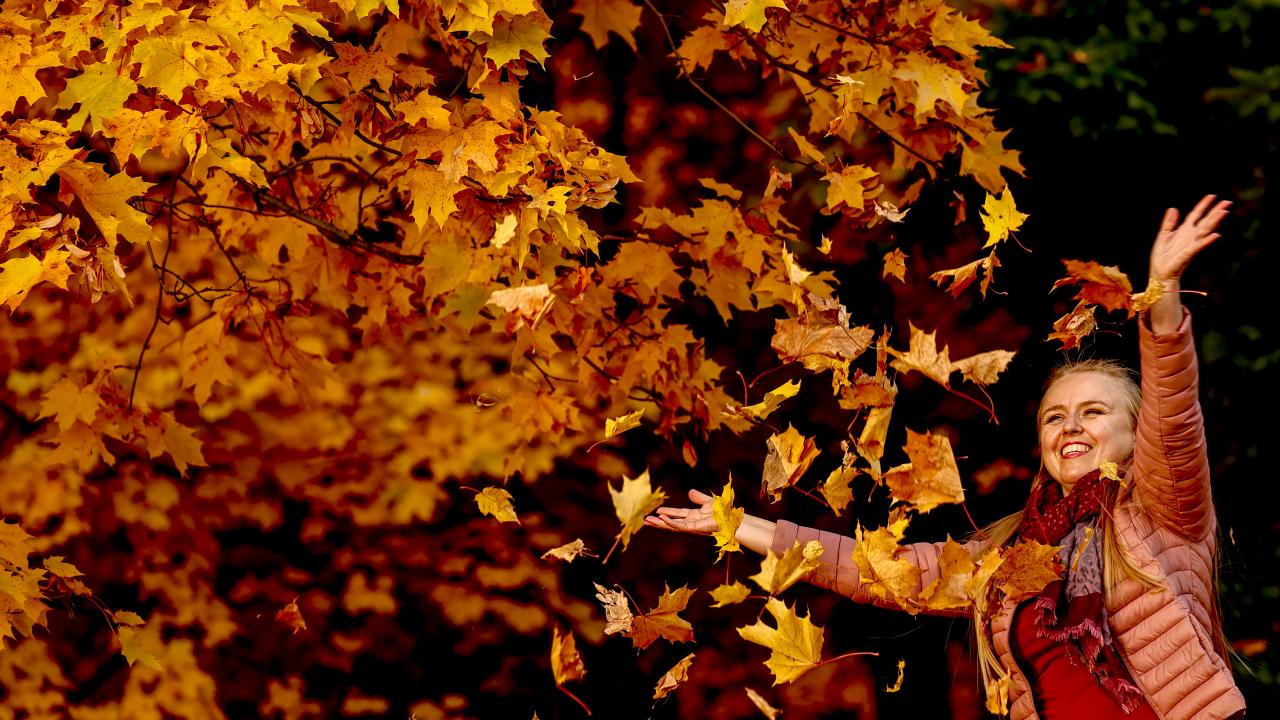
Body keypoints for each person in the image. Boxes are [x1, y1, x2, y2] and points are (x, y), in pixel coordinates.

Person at [645, 195, 1244, 720]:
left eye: (1093, 412)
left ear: (1135, 431)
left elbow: (1174, 416)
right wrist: (741, 525)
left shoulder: (1163, 509)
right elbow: (886, 573)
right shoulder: (1016, 553)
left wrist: (1162, 296)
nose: (1070, 426)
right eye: (1054, 417)